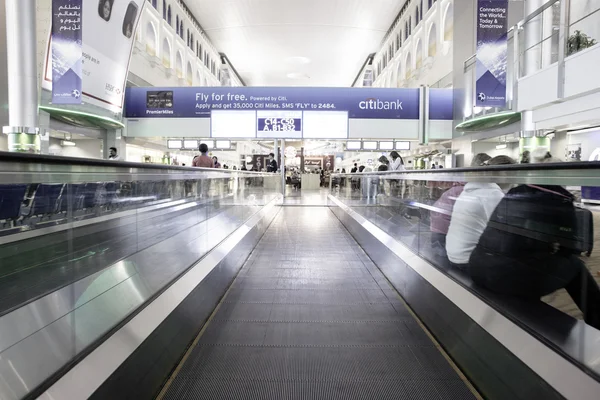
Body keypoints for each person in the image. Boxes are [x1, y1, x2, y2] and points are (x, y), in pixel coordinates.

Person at [468, 158, 600, 329]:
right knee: (575, 266)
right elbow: (571, 248)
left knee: (529, 263)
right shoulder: (561, 200)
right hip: (508, 278)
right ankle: (597, 321)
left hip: (479, 268)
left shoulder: (514, 193)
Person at [446, 155, 515, 269]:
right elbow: (505, 229)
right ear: (505, 175)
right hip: (469, 260)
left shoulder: (470, 189)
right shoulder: (492, 193)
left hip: (454, 255)